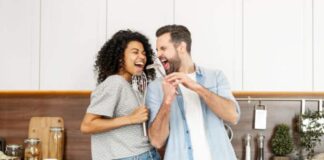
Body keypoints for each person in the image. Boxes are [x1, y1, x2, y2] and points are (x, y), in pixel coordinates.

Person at [146, 25, 240, 160]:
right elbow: (156, 141)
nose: (158, 54)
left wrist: (197, 87)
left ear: (182, 48)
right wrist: (167, 101)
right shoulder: (156, 87)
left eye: (163, 48)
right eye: (157, 50)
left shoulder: (215, 77)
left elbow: (233, 116)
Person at [80, 30, 160, 160]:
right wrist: (130, 119)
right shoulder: (115, 82)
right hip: (130, 156)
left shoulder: (131, 85)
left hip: (145, 154)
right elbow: (87, 125)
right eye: (135, 52)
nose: (142, 57)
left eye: (144, 53)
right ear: (120, 57)